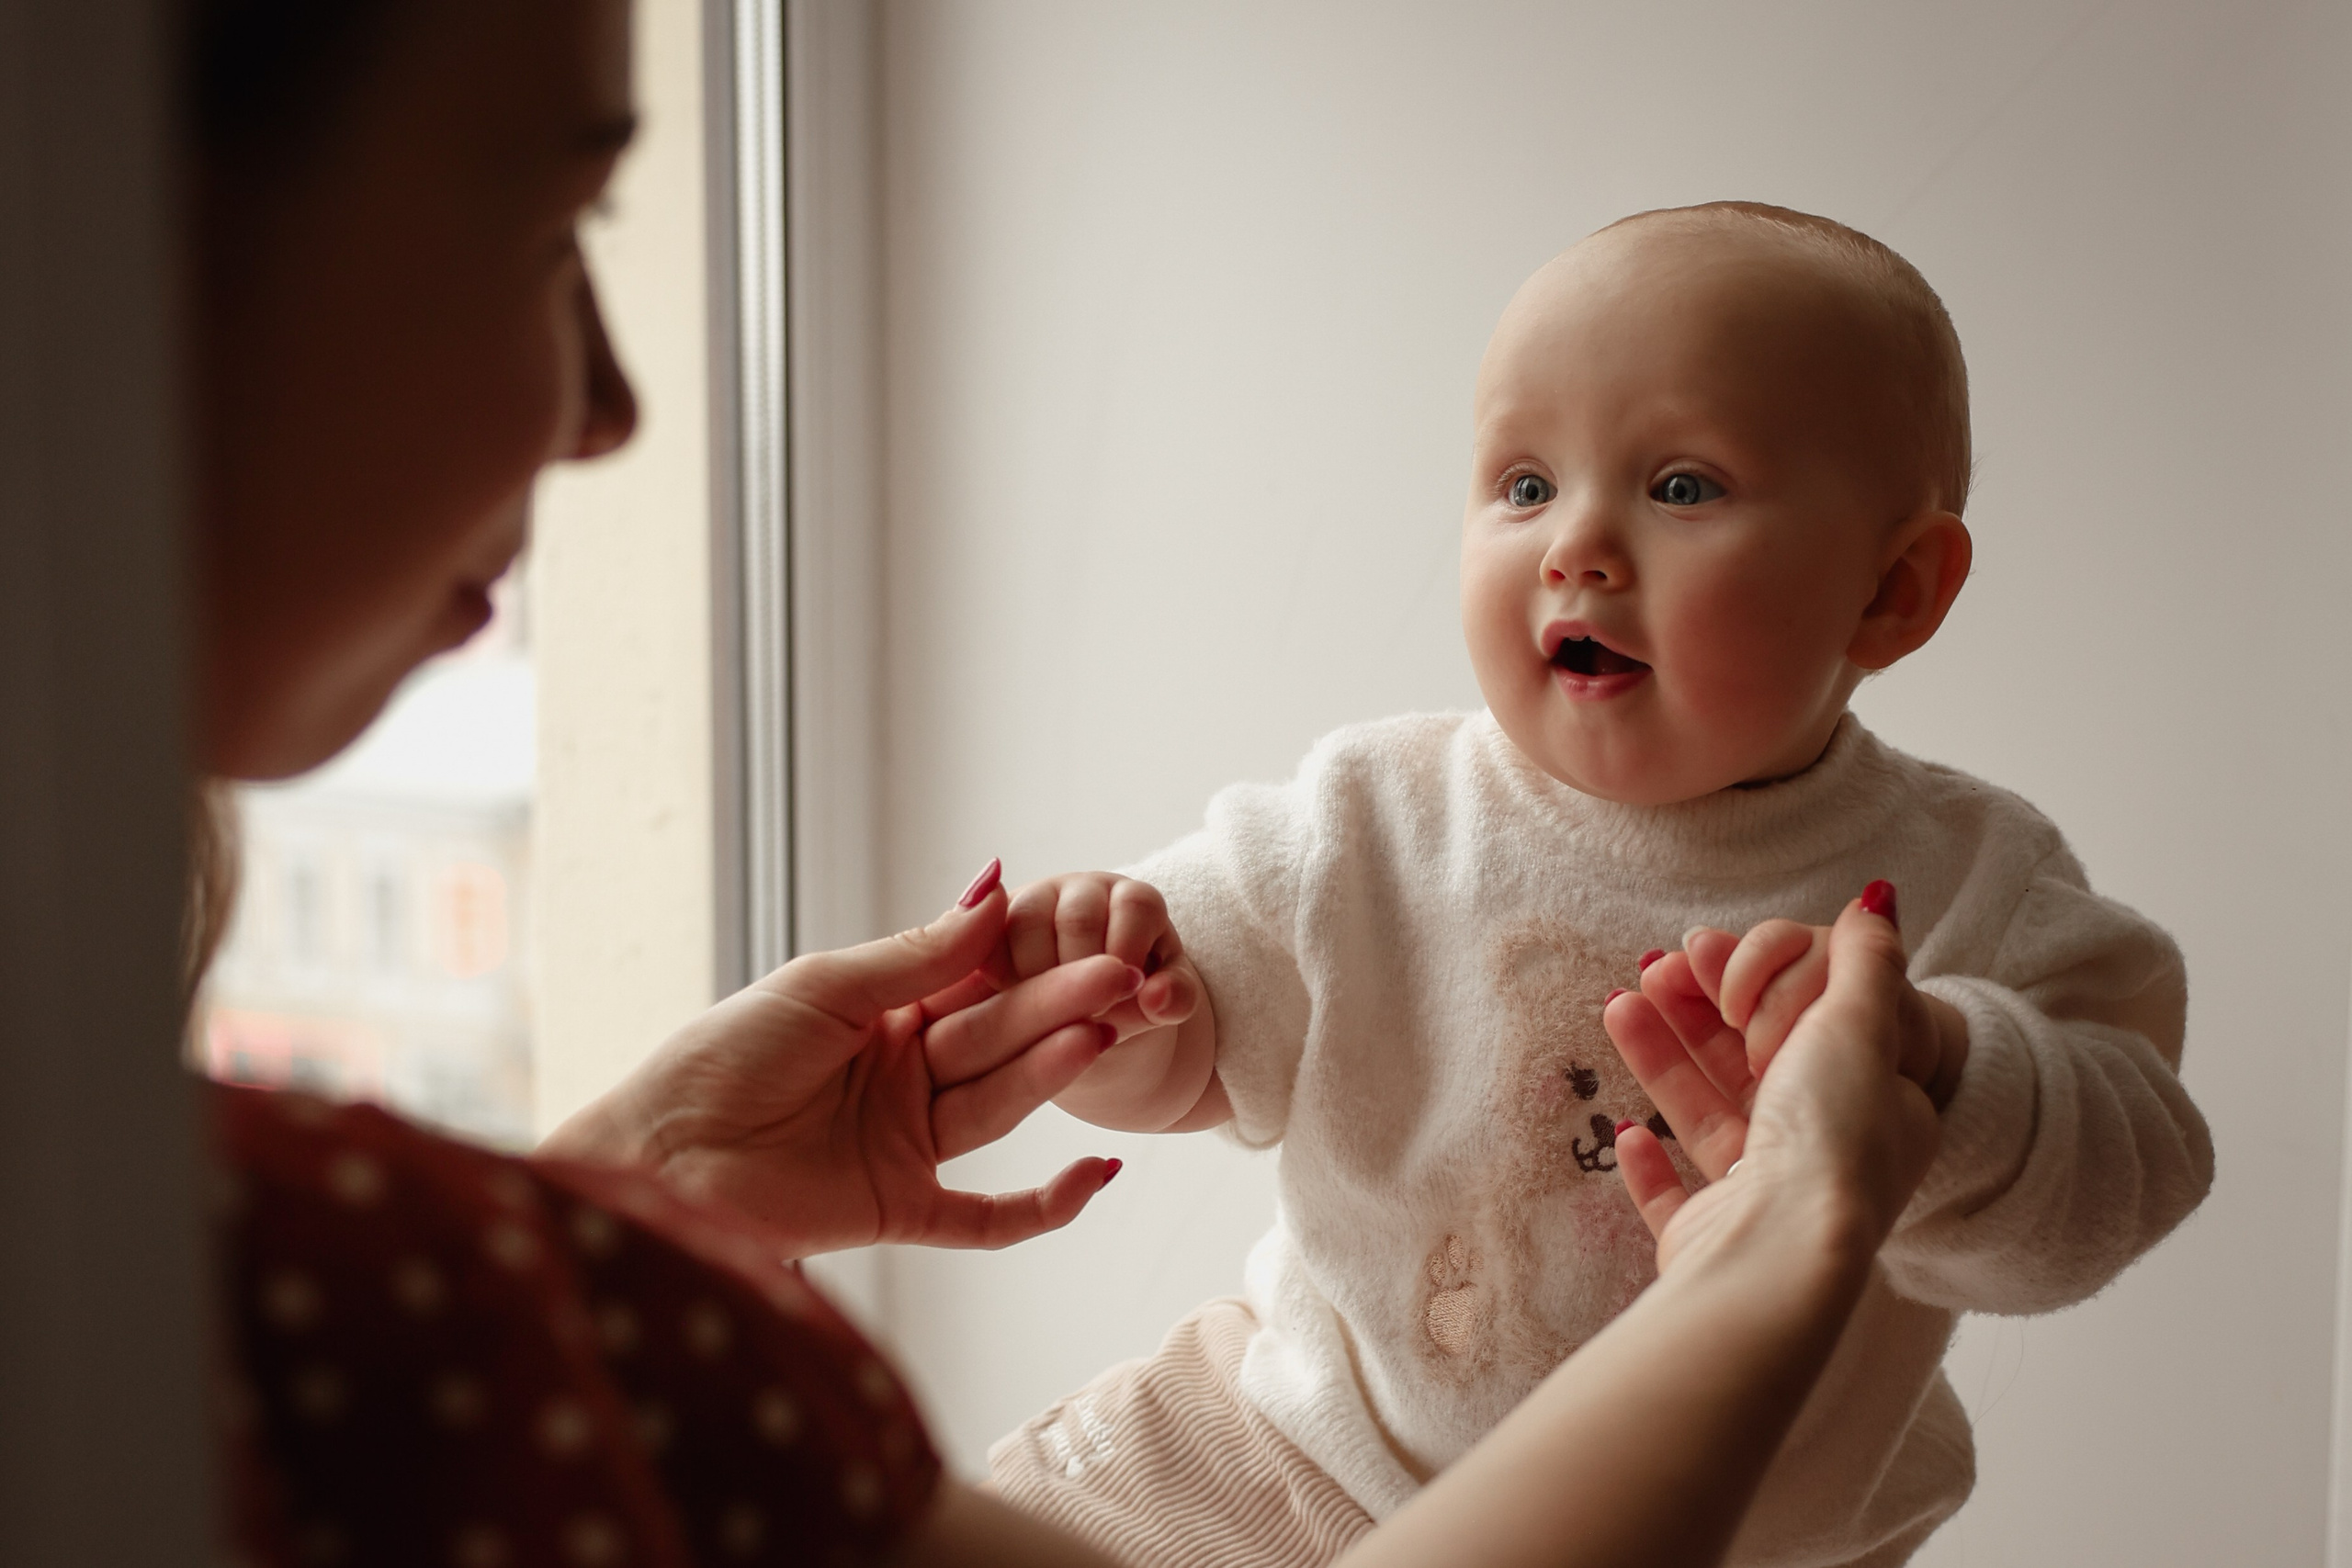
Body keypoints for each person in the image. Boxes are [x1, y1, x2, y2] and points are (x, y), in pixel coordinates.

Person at [176, 2, 1984, 1563]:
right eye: (545, 228)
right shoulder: (312, 1277)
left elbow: (2109, 1132)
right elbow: (1202, 998)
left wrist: (630, 1183)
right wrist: (1769, 1256)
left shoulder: (229, 1261)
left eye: (1681, 488)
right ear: (119, 245)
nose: (612, 401)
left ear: (1896, 589)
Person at [986, 207, 2217, 1567]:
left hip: (1720, 1542)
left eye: (1681, 487)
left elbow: (2124, 1182)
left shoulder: (1967, 879)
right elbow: (1194, 1059)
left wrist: (1937, 1065)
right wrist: (1105, 1008)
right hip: (1287, 1468)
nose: (1574, 544)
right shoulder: (1371, 817)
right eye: (1523, 486)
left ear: (1892, 591)